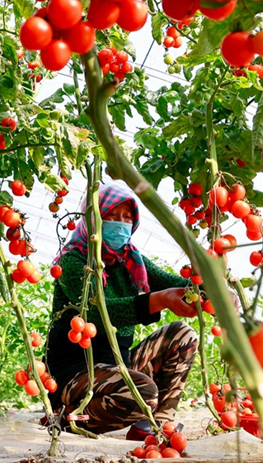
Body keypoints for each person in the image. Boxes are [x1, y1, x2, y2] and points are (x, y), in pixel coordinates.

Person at [46, 182, 199, 437]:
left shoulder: (130, 259)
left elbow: (173, 282)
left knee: (182, 335)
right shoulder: (72, 261)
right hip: (74, 373)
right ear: (92, 219)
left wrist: (209, 290)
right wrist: (159, 300)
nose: (121, 224)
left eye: (127, 217)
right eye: (111, 216)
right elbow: (99, 311)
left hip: (117, 365)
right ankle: (69, 418)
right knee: (143, 392)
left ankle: (154, 425)